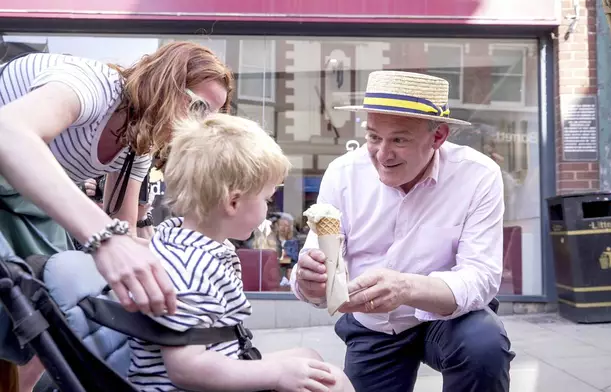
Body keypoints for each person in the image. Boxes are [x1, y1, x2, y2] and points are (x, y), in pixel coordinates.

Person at [0, 41, 233, 391]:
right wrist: (104, 237)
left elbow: (126, 232)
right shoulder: (91, 85)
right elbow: (7, 132)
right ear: (167, 82)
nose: (199, 126)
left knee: (44, 321)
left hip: (28, 204)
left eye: (209, 117)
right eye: (198, 106)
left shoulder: (137, 143)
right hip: (19, 189)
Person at [290, 70, 515, 392]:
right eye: (373, 137)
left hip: (447, 317)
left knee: (484, 343)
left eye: (399, 139)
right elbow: (319, 263)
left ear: (438, 137)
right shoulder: (343, 174)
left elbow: (482, 277)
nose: (382, 154)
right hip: (372, 326)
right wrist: (309, 281)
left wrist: (407, 287)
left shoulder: (477, 175)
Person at [129, 113, 354, 392]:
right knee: (332, 382)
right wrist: (275, 374)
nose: (267, 208)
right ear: (233, 202)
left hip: (224, 362)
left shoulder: (186, 243)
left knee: (312, 362)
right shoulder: (189, 270)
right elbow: (186, 368)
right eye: (265, 199)